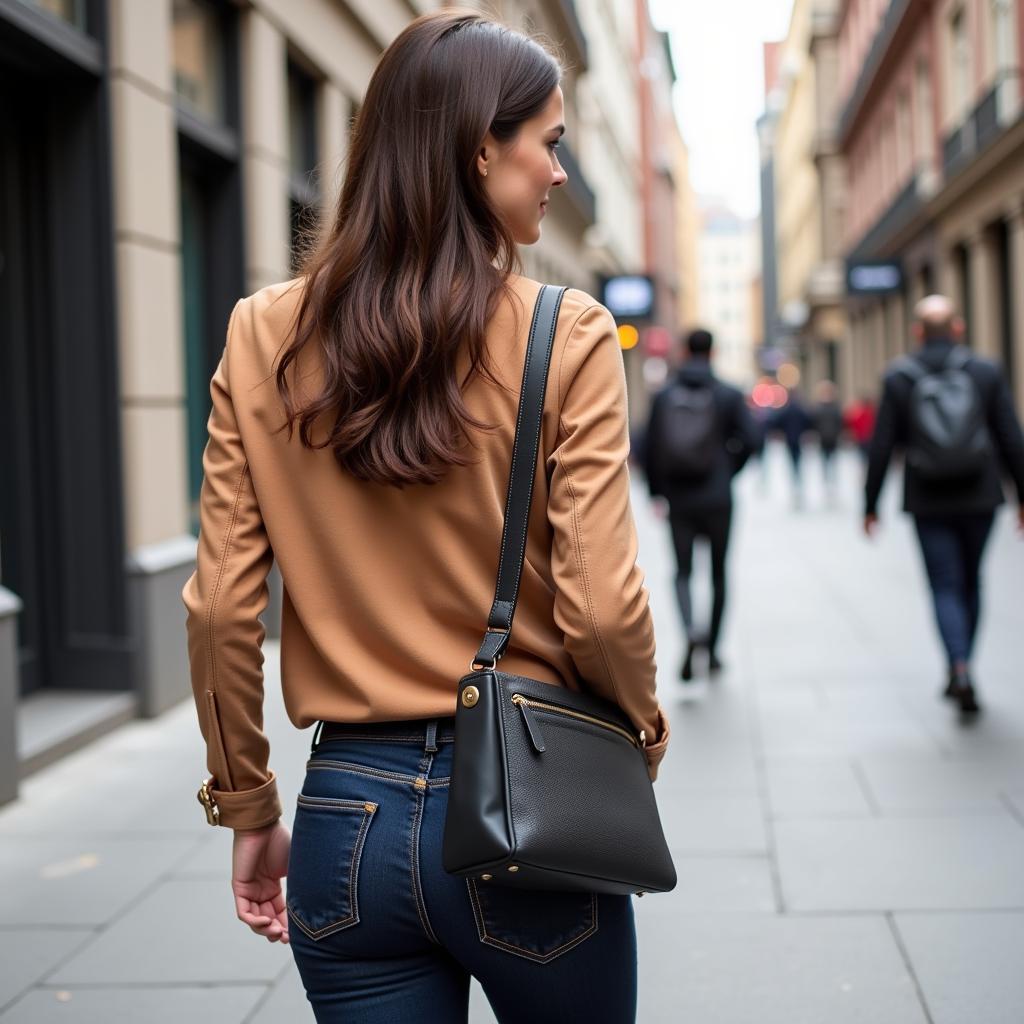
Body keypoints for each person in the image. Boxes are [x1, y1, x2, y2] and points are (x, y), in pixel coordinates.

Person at [181, 11, 670, 1023]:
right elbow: (600, 606)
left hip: (342, 820)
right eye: (551, 141)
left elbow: (223, 606)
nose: (561, 172)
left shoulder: (260, 330)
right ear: (481, 145)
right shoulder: (562, 330)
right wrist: (643, 734)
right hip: (530, 809)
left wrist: (248, 806)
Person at [864, 294, 1024, 714]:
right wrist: (1022, 495)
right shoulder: (985, 370)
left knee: (944, 584)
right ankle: (966, 662)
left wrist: (870, 503)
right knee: (972, 580)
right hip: (981, 494)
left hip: (927, 497)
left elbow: (882, 444)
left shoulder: (900, 376)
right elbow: (1010, 436)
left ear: (917, 332)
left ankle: (957, 664)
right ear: (958, 328)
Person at [644, 328, 761, 680]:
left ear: (683, 352)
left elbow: (649, 447)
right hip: (718, 498)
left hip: (679, 499)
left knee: (682, 572)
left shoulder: (664, 395)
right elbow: (754, 440)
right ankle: (712, 652)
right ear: (713, 352)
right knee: (719, 574)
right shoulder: (727, 394)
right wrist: (728, 470)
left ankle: (690, 632)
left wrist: (656, 492)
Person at [768, 388, 813, 508]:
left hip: (789, 440)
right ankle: (798, 482)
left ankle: (795, 483)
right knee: (798, 461)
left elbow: (776, 422)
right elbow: (809, 421)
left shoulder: (786, 409)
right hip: (798, 440)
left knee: (793, 462)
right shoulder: (800, 409)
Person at [811, 380, 844, 502]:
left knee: (833, 461)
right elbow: (814, 423)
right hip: (823, 438)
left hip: (833, 438)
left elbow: (840, 422)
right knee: (824, 461)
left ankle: (833, 484)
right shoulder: (818, 407)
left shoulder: (835, 406)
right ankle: (827, 484)